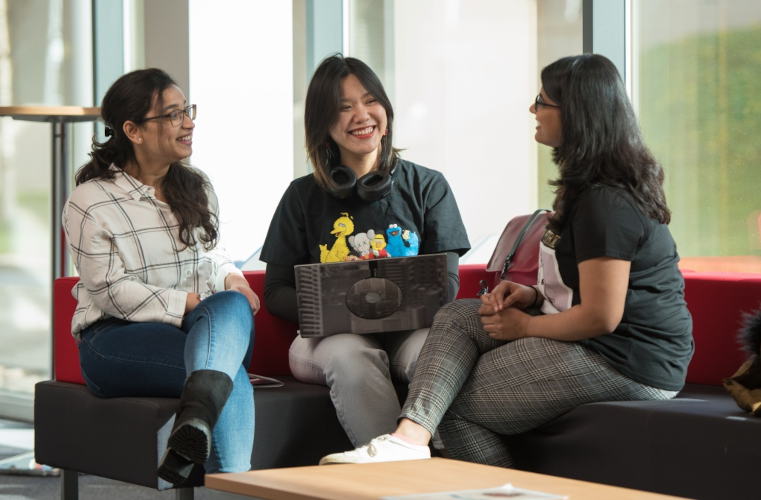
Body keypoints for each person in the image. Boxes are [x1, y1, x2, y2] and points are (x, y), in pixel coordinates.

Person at [319, 53, 694, 467]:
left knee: (451, 405)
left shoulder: (605, 201)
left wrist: (528, 325)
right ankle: (409, 438)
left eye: (542, 101)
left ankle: (485, 481)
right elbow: (584, 282)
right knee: (457, 317)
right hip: (599, 341)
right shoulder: (587, 186)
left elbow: (602, 316)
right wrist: (533, 295)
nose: (533, 108)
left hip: (625, 359)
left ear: (576, 114)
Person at [260, 54, 470, 449]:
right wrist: (341, 306)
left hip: (410, 334)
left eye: (370, 101)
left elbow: (447, 284)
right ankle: (396, 474)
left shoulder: (429, 186)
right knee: (352, 358)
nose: (362, 114)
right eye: (344, 107)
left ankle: (457, 467)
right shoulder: (301, 196)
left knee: (436, 355)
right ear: (323, 124)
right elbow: (275, 292)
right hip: (330, 339)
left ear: (386, 112)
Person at [63, 68, 259, 485]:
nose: (188, 123)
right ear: (132, 130)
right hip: (114, 338)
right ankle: (231, 481)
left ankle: (195, 425)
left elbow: (211, 255)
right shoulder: (91, 201)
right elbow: (110, 290)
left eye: (187, 111)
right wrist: (187, 303)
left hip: (195, 328)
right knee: (224, 373)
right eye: (173, 115)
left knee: (229, 309)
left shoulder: (196, 186)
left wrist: (233, 279)